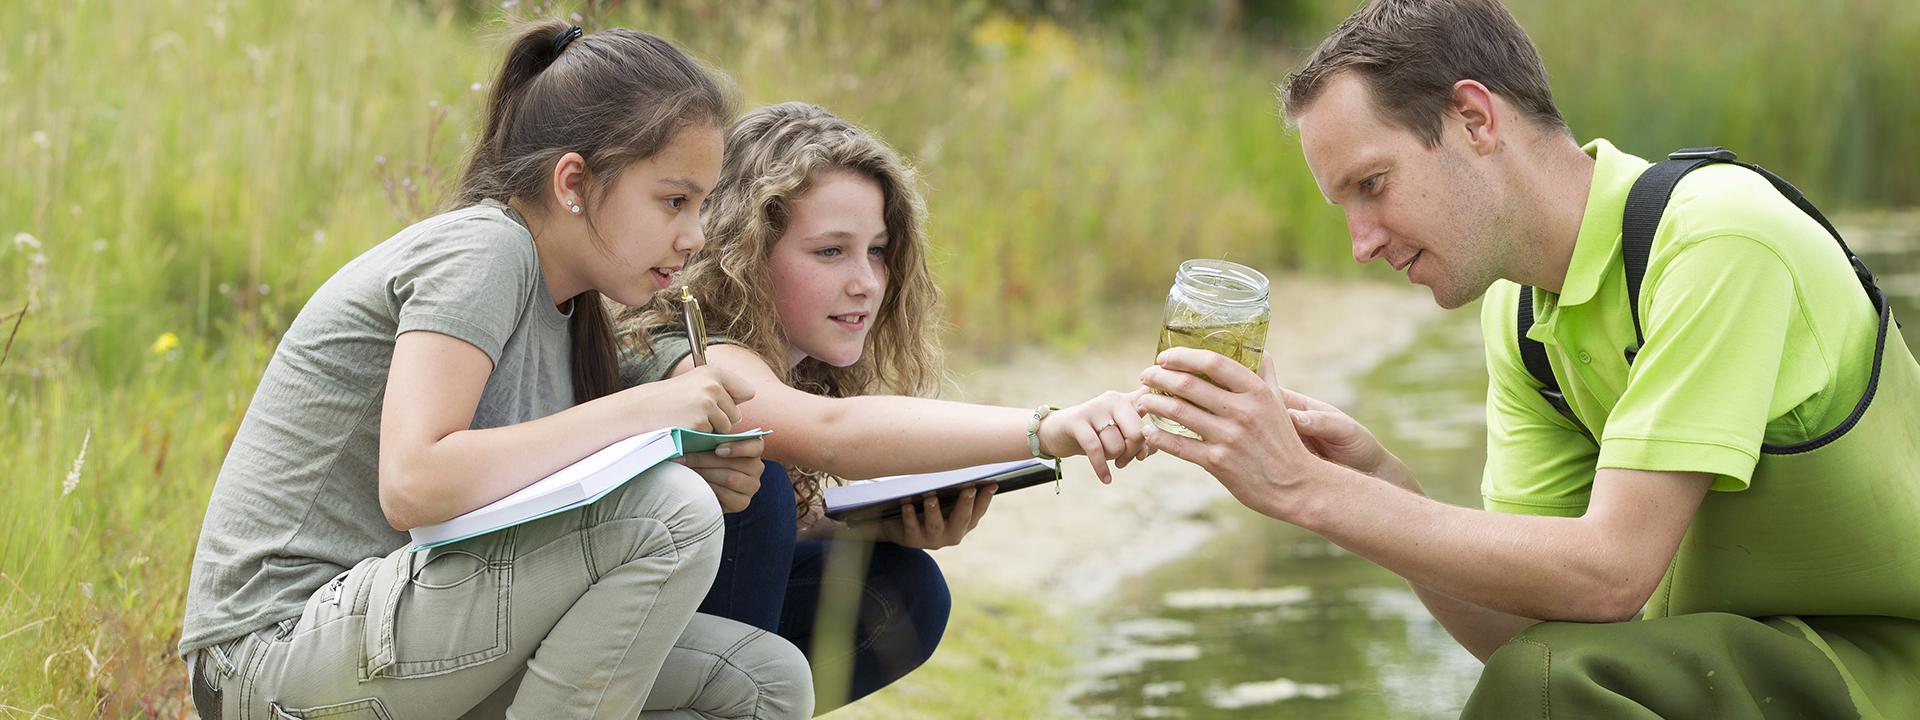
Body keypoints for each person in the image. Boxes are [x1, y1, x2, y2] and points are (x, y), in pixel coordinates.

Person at [1135, 0, 1920, 716]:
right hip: (1737, 673)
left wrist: (1305, 490)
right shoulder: (1521, 313)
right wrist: (1373, 483)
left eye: (1373, 184)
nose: (1361, 242)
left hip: (1877, 673)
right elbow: (1529, 636)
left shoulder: (1719, 239)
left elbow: (1610, 575)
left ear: (1475, 119)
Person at [179, 22, 813, 719]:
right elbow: (414, 482)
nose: (693, 236)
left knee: (765, 680)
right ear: (573, 182)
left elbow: (516, 503)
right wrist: (647, 414)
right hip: (273, 653)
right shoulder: (483, 251)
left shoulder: (572, 311)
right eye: (673, 201)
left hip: (400, 630)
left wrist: (674, 462)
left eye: (701, 205)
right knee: (672, 516)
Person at [616, 101, 1149, 711]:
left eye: (878, 250)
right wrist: (1049, 428)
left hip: (678, 630)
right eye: (830, 252)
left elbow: (750, 546)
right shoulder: (689, 350)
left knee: (904, 589)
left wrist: (873, 528)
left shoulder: (788, 362)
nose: (866, 281)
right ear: (745, 252)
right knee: (752, 483)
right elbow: (828, 433)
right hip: (595, 643)